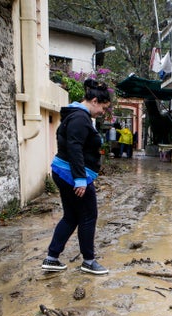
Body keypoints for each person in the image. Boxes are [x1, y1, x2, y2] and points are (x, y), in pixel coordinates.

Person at [41, 78, 112, 275]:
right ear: (95, 100)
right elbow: (74, 148)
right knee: (88, 216)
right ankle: (89, 261)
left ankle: (52, 257)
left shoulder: (76, 116)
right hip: (72, 175)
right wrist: (80, 179)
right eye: (103, 108)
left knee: (71, 216)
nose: (102, 113)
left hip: (65, 172)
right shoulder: (80, 118)